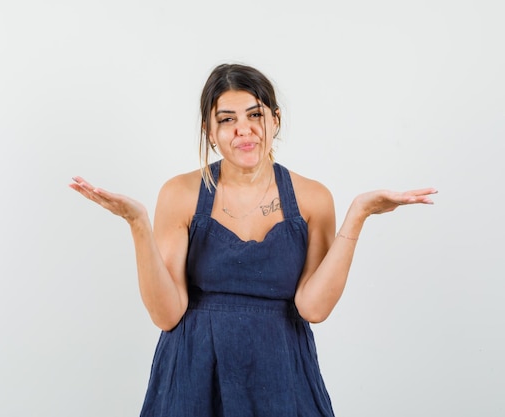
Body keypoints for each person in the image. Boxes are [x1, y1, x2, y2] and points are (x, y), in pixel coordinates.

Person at [69, 63, 437, 417]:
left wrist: (359, 213)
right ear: (210, 132)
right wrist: (137, 223)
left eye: (255, 115)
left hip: (281, 375)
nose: (243, 130)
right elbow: (166, 314)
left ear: (275, 120)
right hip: (193, 375)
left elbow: (314, 308)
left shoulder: (313, 199)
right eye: (227, 119)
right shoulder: (180, 193)